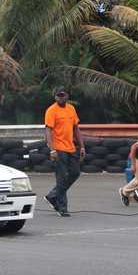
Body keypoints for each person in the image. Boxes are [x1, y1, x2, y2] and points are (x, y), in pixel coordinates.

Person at [44, 87, 85, 217]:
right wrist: (52, 150)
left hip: (71, 148)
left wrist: (82, 146)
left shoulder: (71, 109)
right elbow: (48, 131)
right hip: (58, 149)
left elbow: (76, 128)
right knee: (61, 178)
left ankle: (52, 195)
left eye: (63, 95)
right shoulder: (51, 110)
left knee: (75, 173)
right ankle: (62, 207)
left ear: (67, 96)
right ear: (55, 97)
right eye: (58, 95)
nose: (61, 97)